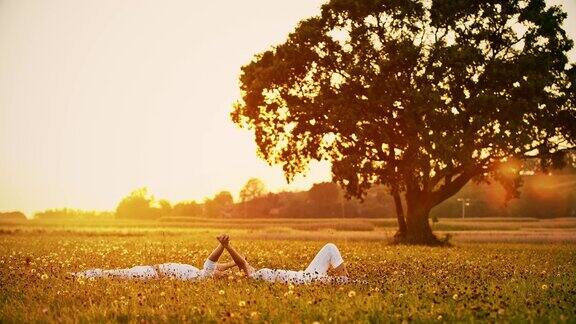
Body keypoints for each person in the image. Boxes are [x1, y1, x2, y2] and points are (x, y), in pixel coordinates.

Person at [73, 235, 236, 280]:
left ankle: (79, 276)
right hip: (150, 271)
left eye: (218, 274)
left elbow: (212, 261)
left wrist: (223, 246)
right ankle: (82, 275)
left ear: (213, 277)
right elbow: (217, 266)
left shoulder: (203, 277)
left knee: (114, 274)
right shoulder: (202, 274)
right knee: (114, 274)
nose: (218, 270)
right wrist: (234, 263)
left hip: (150, 274)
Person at [217, 234, 349, 284]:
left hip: (305, 275)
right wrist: (227, 246)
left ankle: (344, 280)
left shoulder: (254, 275)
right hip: (305, 280)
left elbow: (239, 263)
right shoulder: (252, 277)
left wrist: (229, 265)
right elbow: (241, 263)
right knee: (354, 283)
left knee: (330, 247)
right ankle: (345, 282)